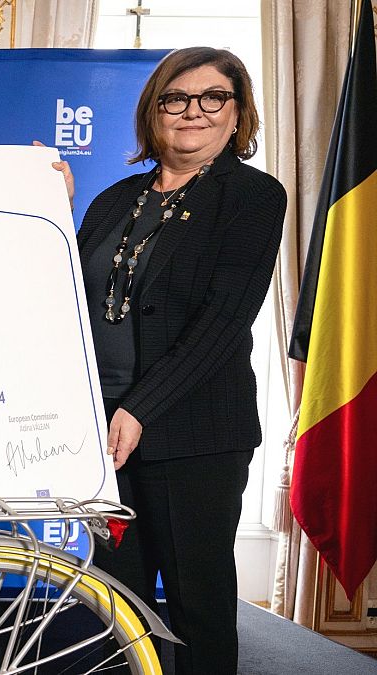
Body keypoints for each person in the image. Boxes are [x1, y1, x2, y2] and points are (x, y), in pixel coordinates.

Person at [78, 47, 285, 674]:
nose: (192, 111)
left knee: (196, 608)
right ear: (153, 111)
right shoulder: (115, 200)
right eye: (175, 98)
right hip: (102, 435)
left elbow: (222, 325)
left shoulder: (252, 198)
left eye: (212, 98)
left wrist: (139, 408)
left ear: (237, 111)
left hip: (195, 437)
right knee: (115, 607)